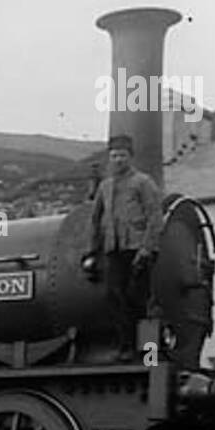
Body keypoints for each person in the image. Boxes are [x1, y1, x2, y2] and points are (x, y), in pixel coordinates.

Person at [85, 134, 164, 362]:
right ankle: (125, 345)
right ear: (110, 158)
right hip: (114, 248)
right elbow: (95, 219)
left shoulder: (143, 182)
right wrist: (92, 250)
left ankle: (146, 349)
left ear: (130, 157)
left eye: (122, 155)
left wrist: (147, 249)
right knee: (114, 296)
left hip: (137, 248)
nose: (118, 160)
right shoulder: (105, 186)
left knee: (139, 299)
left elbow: (155, 216)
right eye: (114, 156)